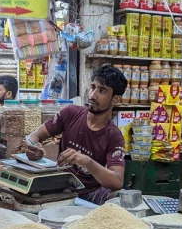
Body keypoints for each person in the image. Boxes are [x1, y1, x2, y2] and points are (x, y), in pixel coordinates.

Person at [26, 65, 126, 204]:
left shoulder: (114, 136)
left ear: (115, 99)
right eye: (93, 87)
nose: (93, 95)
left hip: (90, 194)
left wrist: (88, 162)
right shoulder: (70, 113)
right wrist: (33, 148)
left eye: (102, 90)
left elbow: (117, 182)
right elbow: (34, 136)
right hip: (59, 188)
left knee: (120, 197)